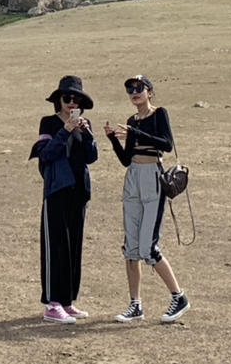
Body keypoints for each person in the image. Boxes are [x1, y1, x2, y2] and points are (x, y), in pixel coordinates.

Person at [104, 74, 190, 324]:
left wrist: (137, 133)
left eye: (139, 88)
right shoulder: (132, 121)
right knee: (131, 247)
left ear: (149, 92)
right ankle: (135, 305)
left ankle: (179, 297)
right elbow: (125, 159)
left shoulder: (159, 114)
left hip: (153, 176)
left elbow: (167, 144)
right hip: (133, 176)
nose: (134, 92)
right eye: (130, 89)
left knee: (148, 247)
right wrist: (113, 139)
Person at [29, 75, 98, 324]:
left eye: (76, 99)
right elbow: (47, 154)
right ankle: (52, 303)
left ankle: (67, 301)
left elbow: (91, 157)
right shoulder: (48, 123)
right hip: (57, 190)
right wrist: (65, 130)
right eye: (67, 98)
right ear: (58, 100)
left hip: (78, 192)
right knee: (55, 247)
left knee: (73, 248)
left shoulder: (84, 124)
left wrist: (86, 133)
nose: (71, 103)